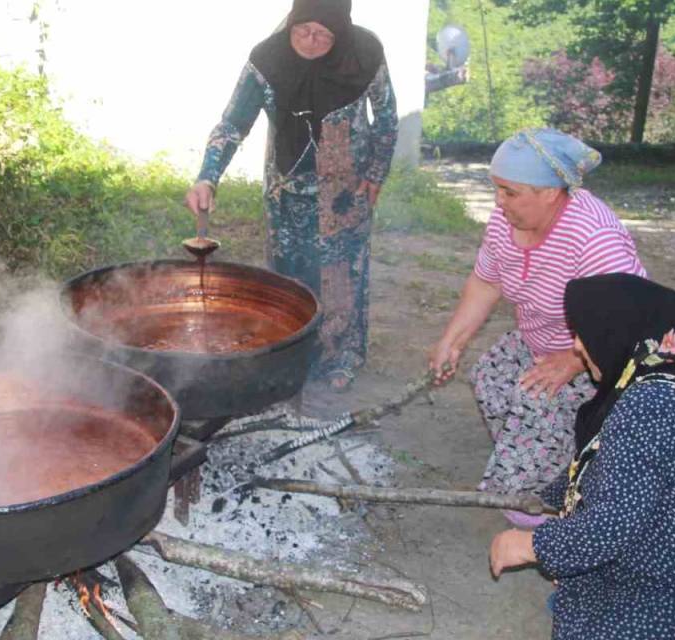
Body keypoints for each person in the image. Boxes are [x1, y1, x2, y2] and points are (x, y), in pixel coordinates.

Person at [489, 273, 675, 639]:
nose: (578, 346)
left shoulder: (649, 407)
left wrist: (528, 545)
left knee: (586, 620)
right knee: (579, 579)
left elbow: (607, 527)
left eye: (585, 334)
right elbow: (608, 468)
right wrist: (543, 498)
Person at [427, 128, 645, 525]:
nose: (498, 201)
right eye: (496, 188)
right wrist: (451, 341)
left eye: (510, 192)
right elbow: (487, 282)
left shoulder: (594, 238)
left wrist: (574, 359)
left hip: (599, 361)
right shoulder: (502, 224)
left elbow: (630, 320)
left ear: (549, 192)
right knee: (491, 377)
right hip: (538, 340)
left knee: (533, 406)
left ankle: (551, 507)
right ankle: (541, 455)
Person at [185, 0, 397, 391]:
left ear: (342, 32)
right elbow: (232, 123)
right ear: (291, 24)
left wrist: (376, 172)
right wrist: (207, 177)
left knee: (341, 273)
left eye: (324, 34)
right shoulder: (267, 60)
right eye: (303, 30)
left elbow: (385, 117)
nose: (312, 41)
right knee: (287, 274)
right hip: (287, 189)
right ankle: (291, 355)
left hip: (346, 193)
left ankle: (339, 359)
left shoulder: (364, 52)